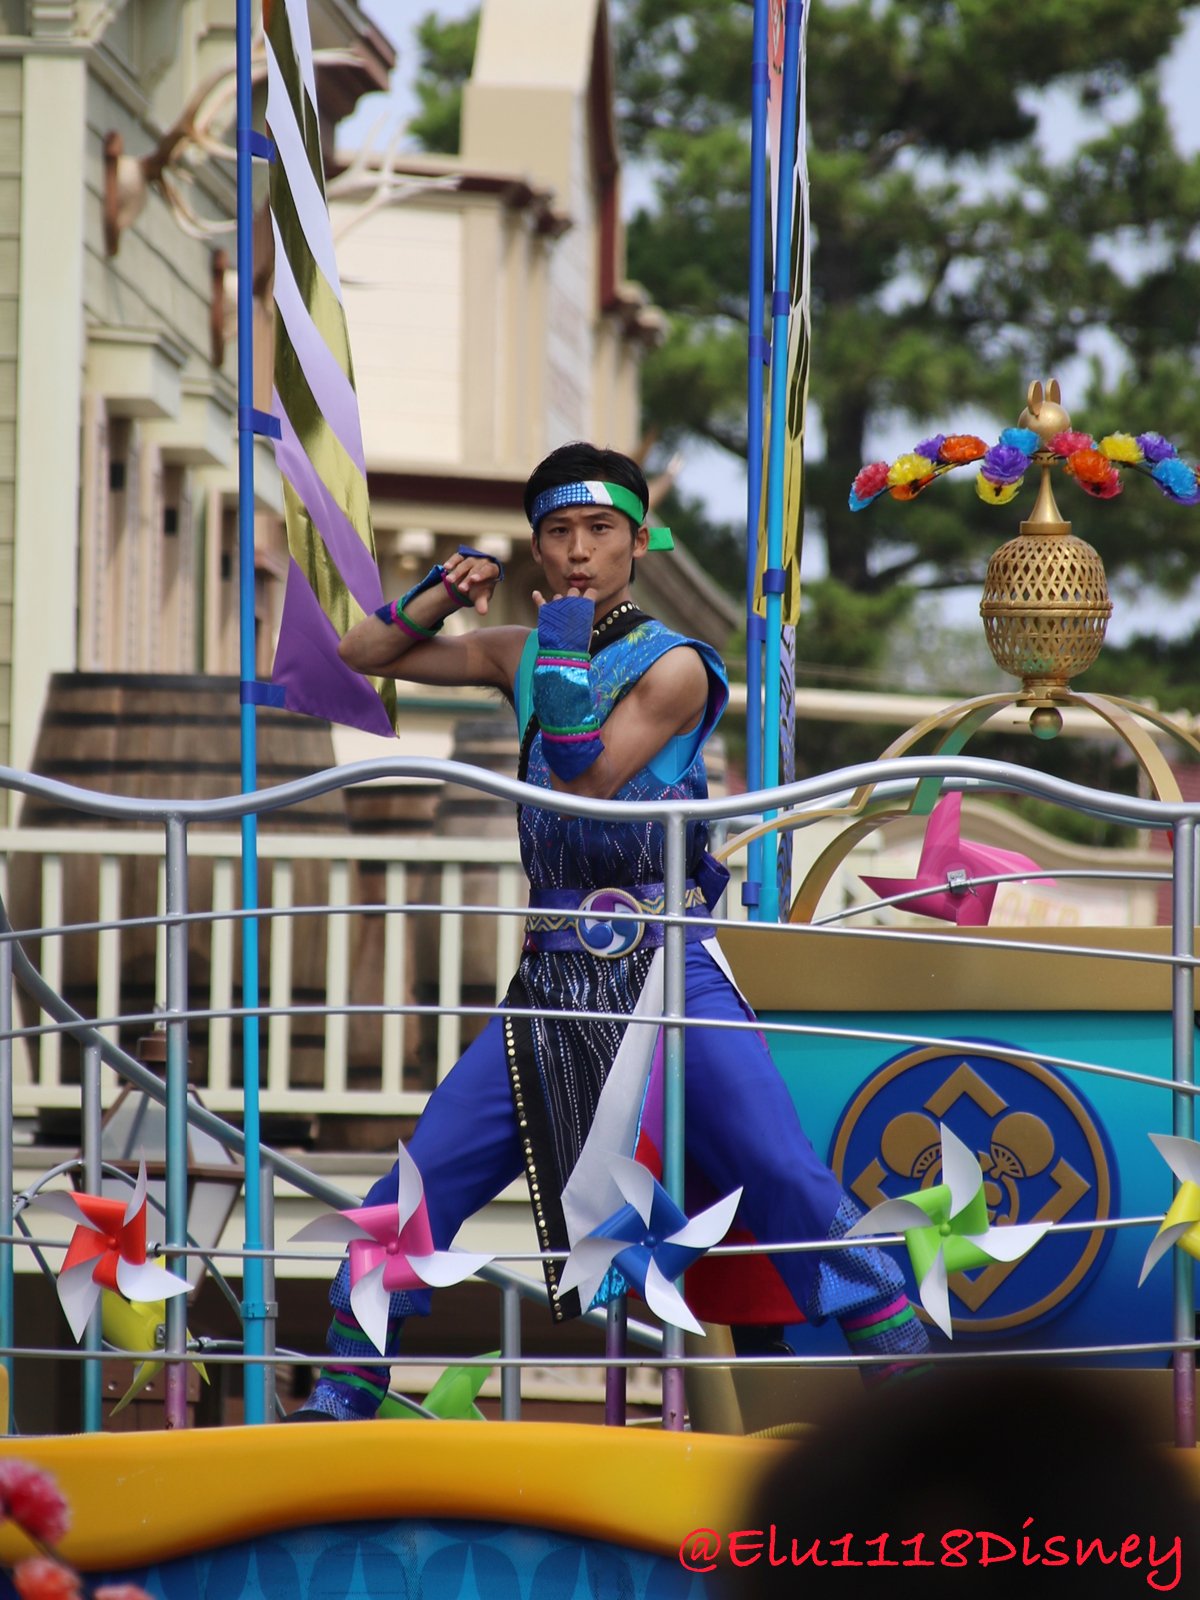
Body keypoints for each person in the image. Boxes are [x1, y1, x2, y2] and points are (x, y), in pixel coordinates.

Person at [288, 442, 929, 1421]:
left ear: (639, 540)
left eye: (599, 530)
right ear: (537, 546)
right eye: (557, 532)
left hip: (669, 972)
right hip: (548, 988)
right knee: (413, 1183)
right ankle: (344, 1391)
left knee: (782, 1170)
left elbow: (587, 780)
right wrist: (441, 594)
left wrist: (554, 639)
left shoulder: (676, 666)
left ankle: (910, 1393)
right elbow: (364, 658)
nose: (579, 550)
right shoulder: (515, 649)